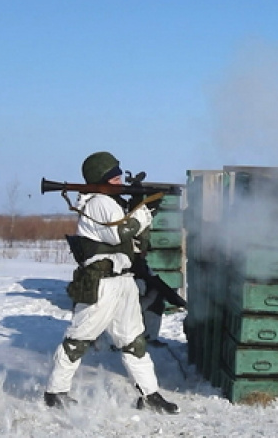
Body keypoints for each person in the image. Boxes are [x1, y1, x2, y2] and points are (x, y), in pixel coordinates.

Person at [44, 151, 179, 415]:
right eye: (115, 177)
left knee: (134, 342)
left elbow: (136, 242)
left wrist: (141, 204)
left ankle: (149, 394)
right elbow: (119, 233)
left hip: (123, 282)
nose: (120, 181)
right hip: (102, 283)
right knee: (77, 341)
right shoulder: (98, 203)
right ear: (101, 179)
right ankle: (55, 393)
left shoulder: (111, 203)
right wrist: (143, 213)